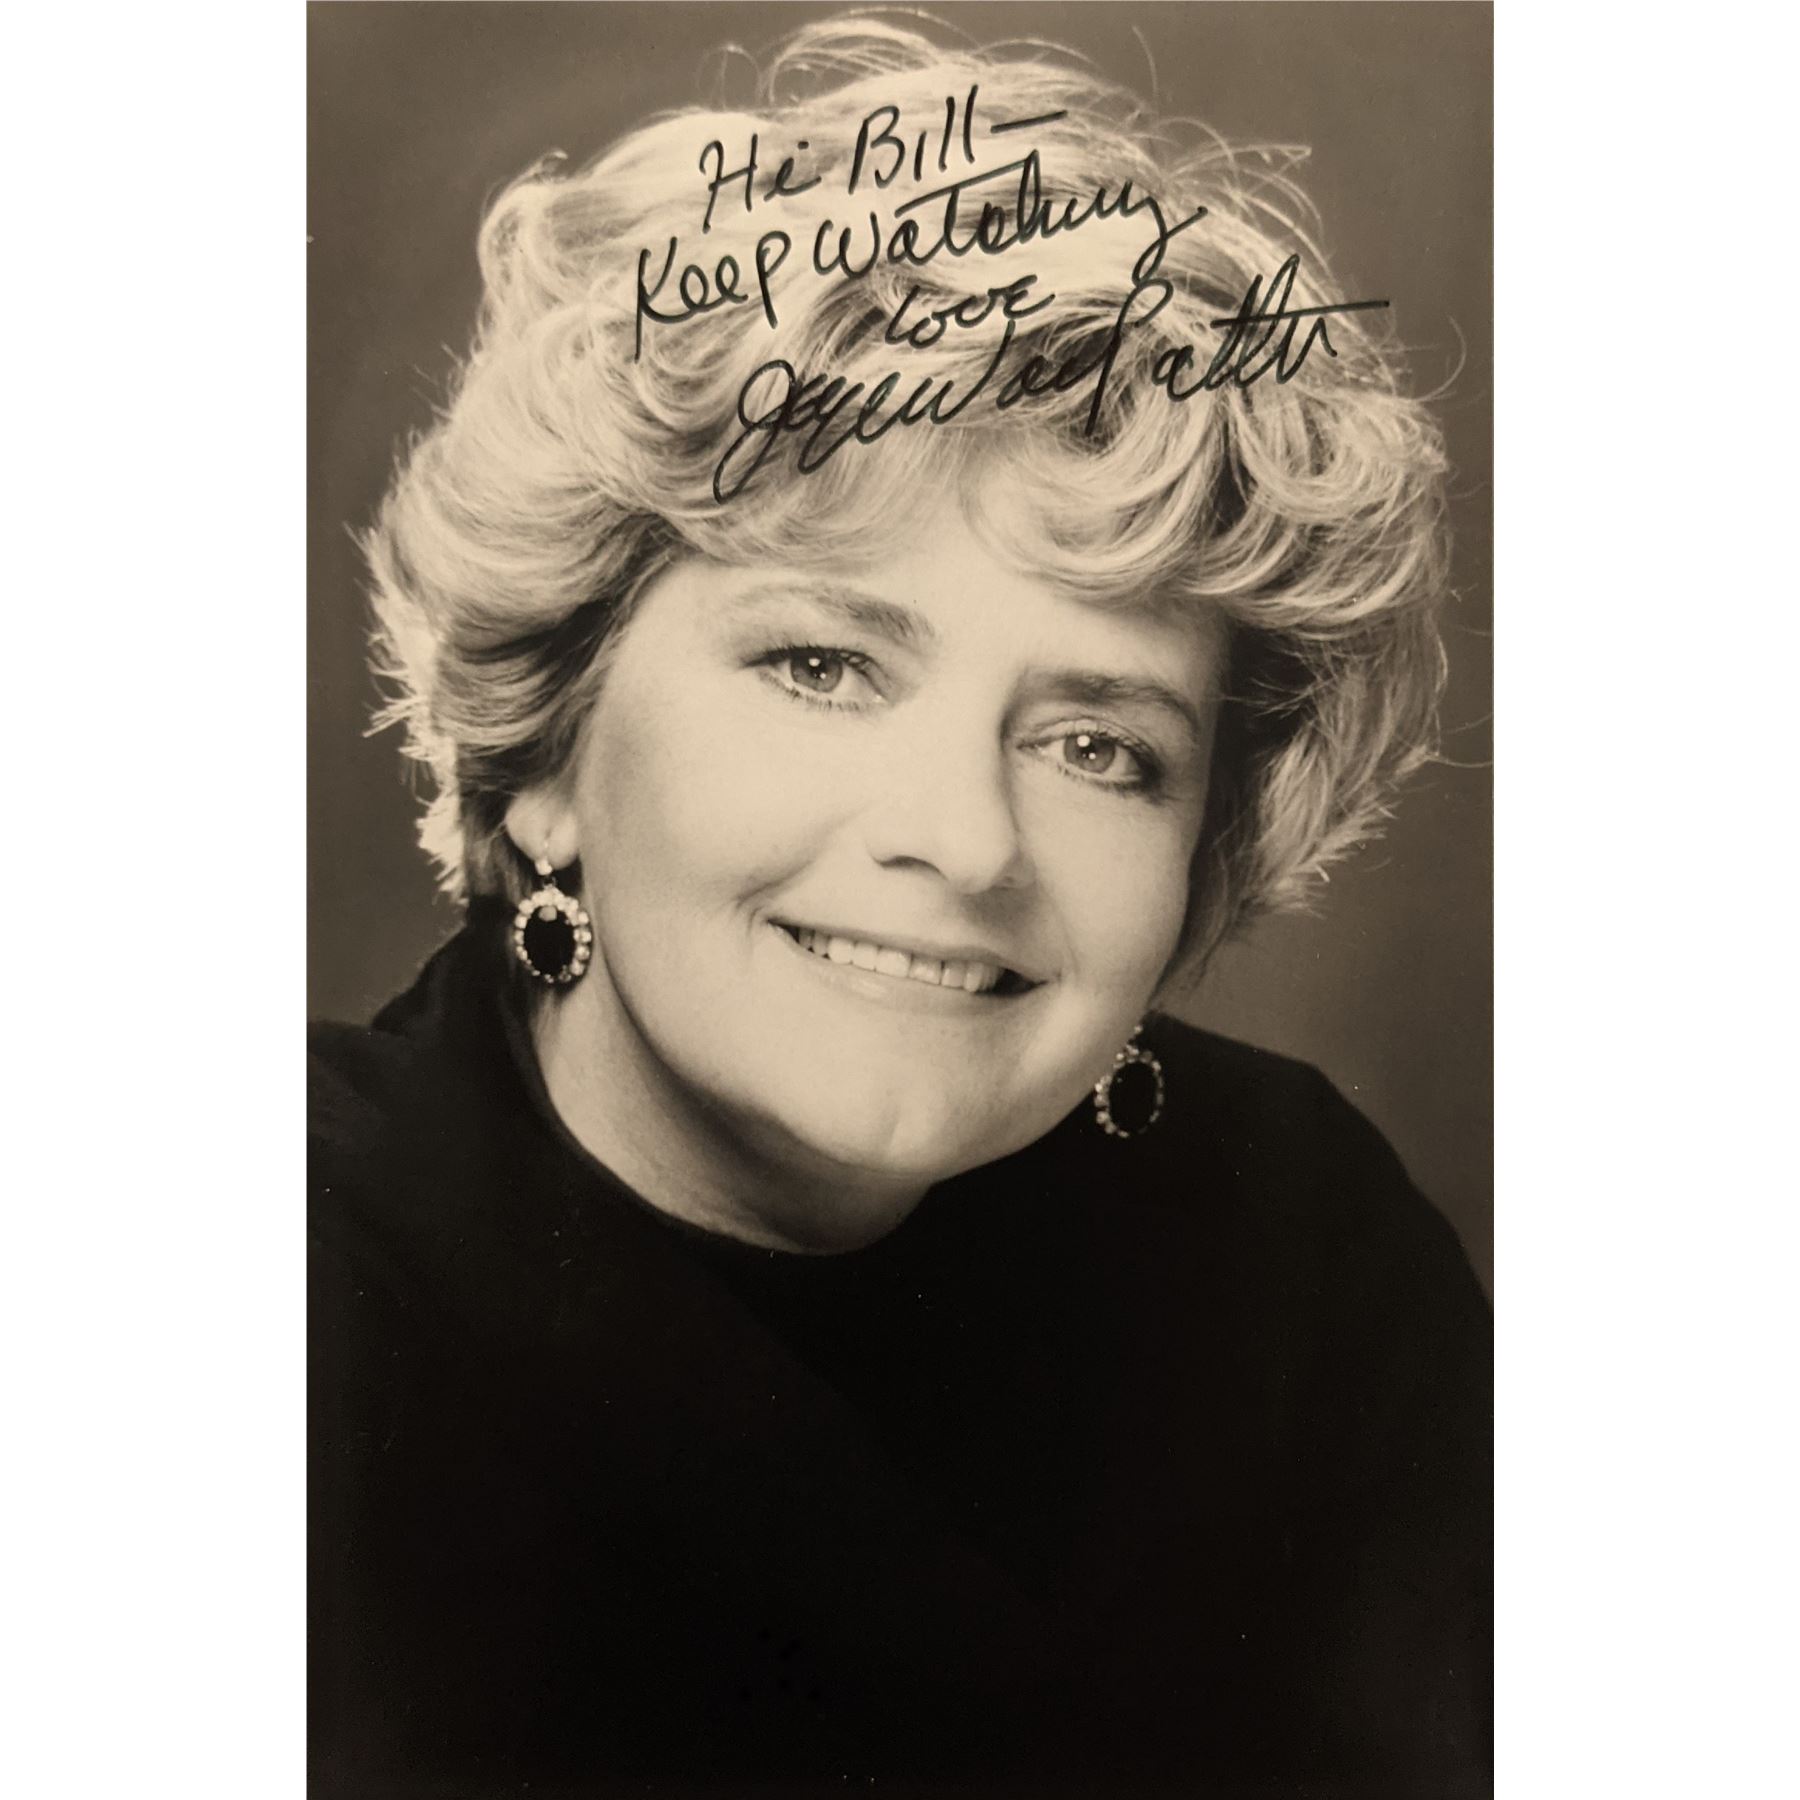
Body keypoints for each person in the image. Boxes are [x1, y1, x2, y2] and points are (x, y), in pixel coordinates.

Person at [309, 18, 1490, 1797]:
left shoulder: (1310, 1261)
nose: (966, 840)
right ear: (545, 742)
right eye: (822, 663)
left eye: (1098, 745)